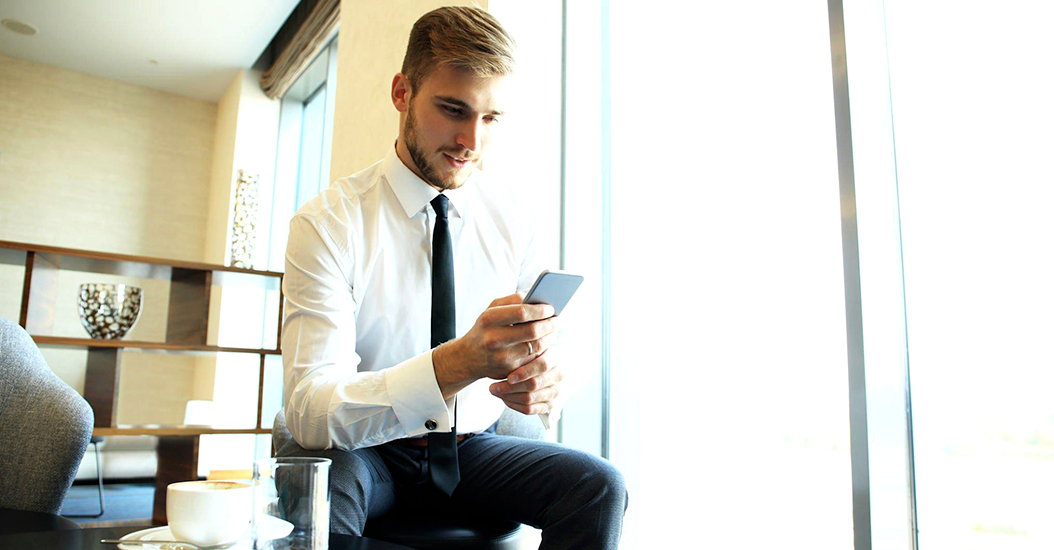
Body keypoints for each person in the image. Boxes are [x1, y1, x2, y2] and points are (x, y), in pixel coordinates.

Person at [278, 6, 627, 549]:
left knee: (600, 487)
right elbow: (309, 410)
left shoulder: (515, 216)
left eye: (490, 119)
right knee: (325, 488)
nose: (471, 141)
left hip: (474, 447)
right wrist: (456, 363)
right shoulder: (327, 225)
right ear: (402, 94)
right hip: (370, 452)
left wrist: (554, 375)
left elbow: (564, 340)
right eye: (452, 109)